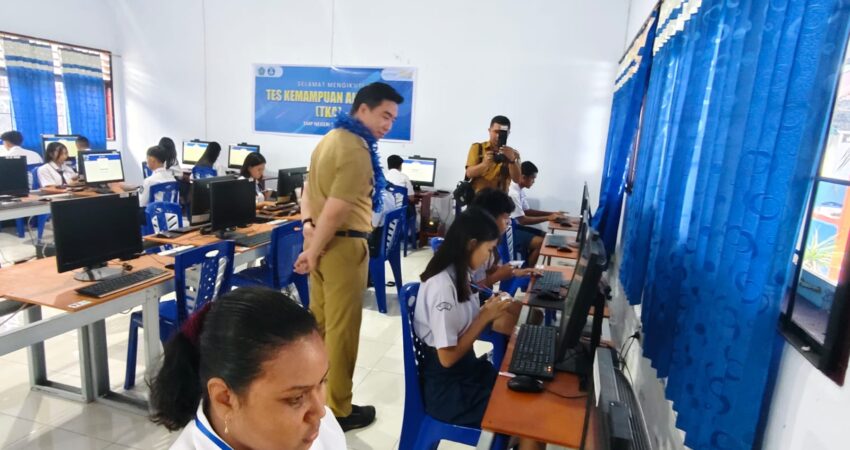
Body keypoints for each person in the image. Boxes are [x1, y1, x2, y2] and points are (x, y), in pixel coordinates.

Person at [294, 81, 404, 431]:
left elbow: (307, 191)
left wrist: (309, 231)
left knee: (320, 328)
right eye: (384, 115)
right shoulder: (357, 148)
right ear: (363, 109)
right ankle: (339, 410)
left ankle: (315, 398)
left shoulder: (328, 139)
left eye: (393, 118)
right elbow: (338, 208)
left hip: (323, 244)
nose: (388, 125)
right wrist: (313, 248)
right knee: (342, 333)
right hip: (342, 248)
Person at [150, 287, 346, 450]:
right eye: (296, 398)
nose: (321, 411)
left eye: (322, 381)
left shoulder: (322, 430)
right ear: (225, 399)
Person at [415, 208, 543, 450]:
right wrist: (484, 317)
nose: (489, 257)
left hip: (468, 371)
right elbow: (447, 358)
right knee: (529, 422)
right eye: (488, 249)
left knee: (529, 402)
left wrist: (491, 308)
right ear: (471, 244)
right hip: (448, 389)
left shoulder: (462, 274)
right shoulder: (442, 285)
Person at [470, 188, 542, 288]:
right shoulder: (474, 245)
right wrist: (497, 276)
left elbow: (487, 267)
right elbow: (470, 289)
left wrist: (514, 271)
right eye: (506, 218)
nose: (509, 222)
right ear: (490, 218)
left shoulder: (487, 239)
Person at [509, 161, 569, 266]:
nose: (534, 182)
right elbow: (523, 221)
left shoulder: (520, 189)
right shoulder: (513, 193)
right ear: (523, 177)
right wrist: (548, 218)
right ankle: (528, 272)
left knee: (546, 236)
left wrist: (553, 213)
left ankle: (527, 265)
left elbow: (527, 211)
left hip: (515, 226)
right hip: (508, 231)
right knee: (541, 243)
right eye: (532, 178)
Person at [464, 116, 521, 193]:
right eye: (496, 132)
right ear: (489, 130)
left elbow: (517, 180)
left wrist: (512, 161)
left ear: (508, 133)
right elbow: (469, 173)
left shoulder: (513, 154)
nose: (498, 136)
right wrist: (484, 165)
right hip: (478, 198)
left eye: (503, 133)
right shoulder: (478, 148)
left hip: (500, 198)